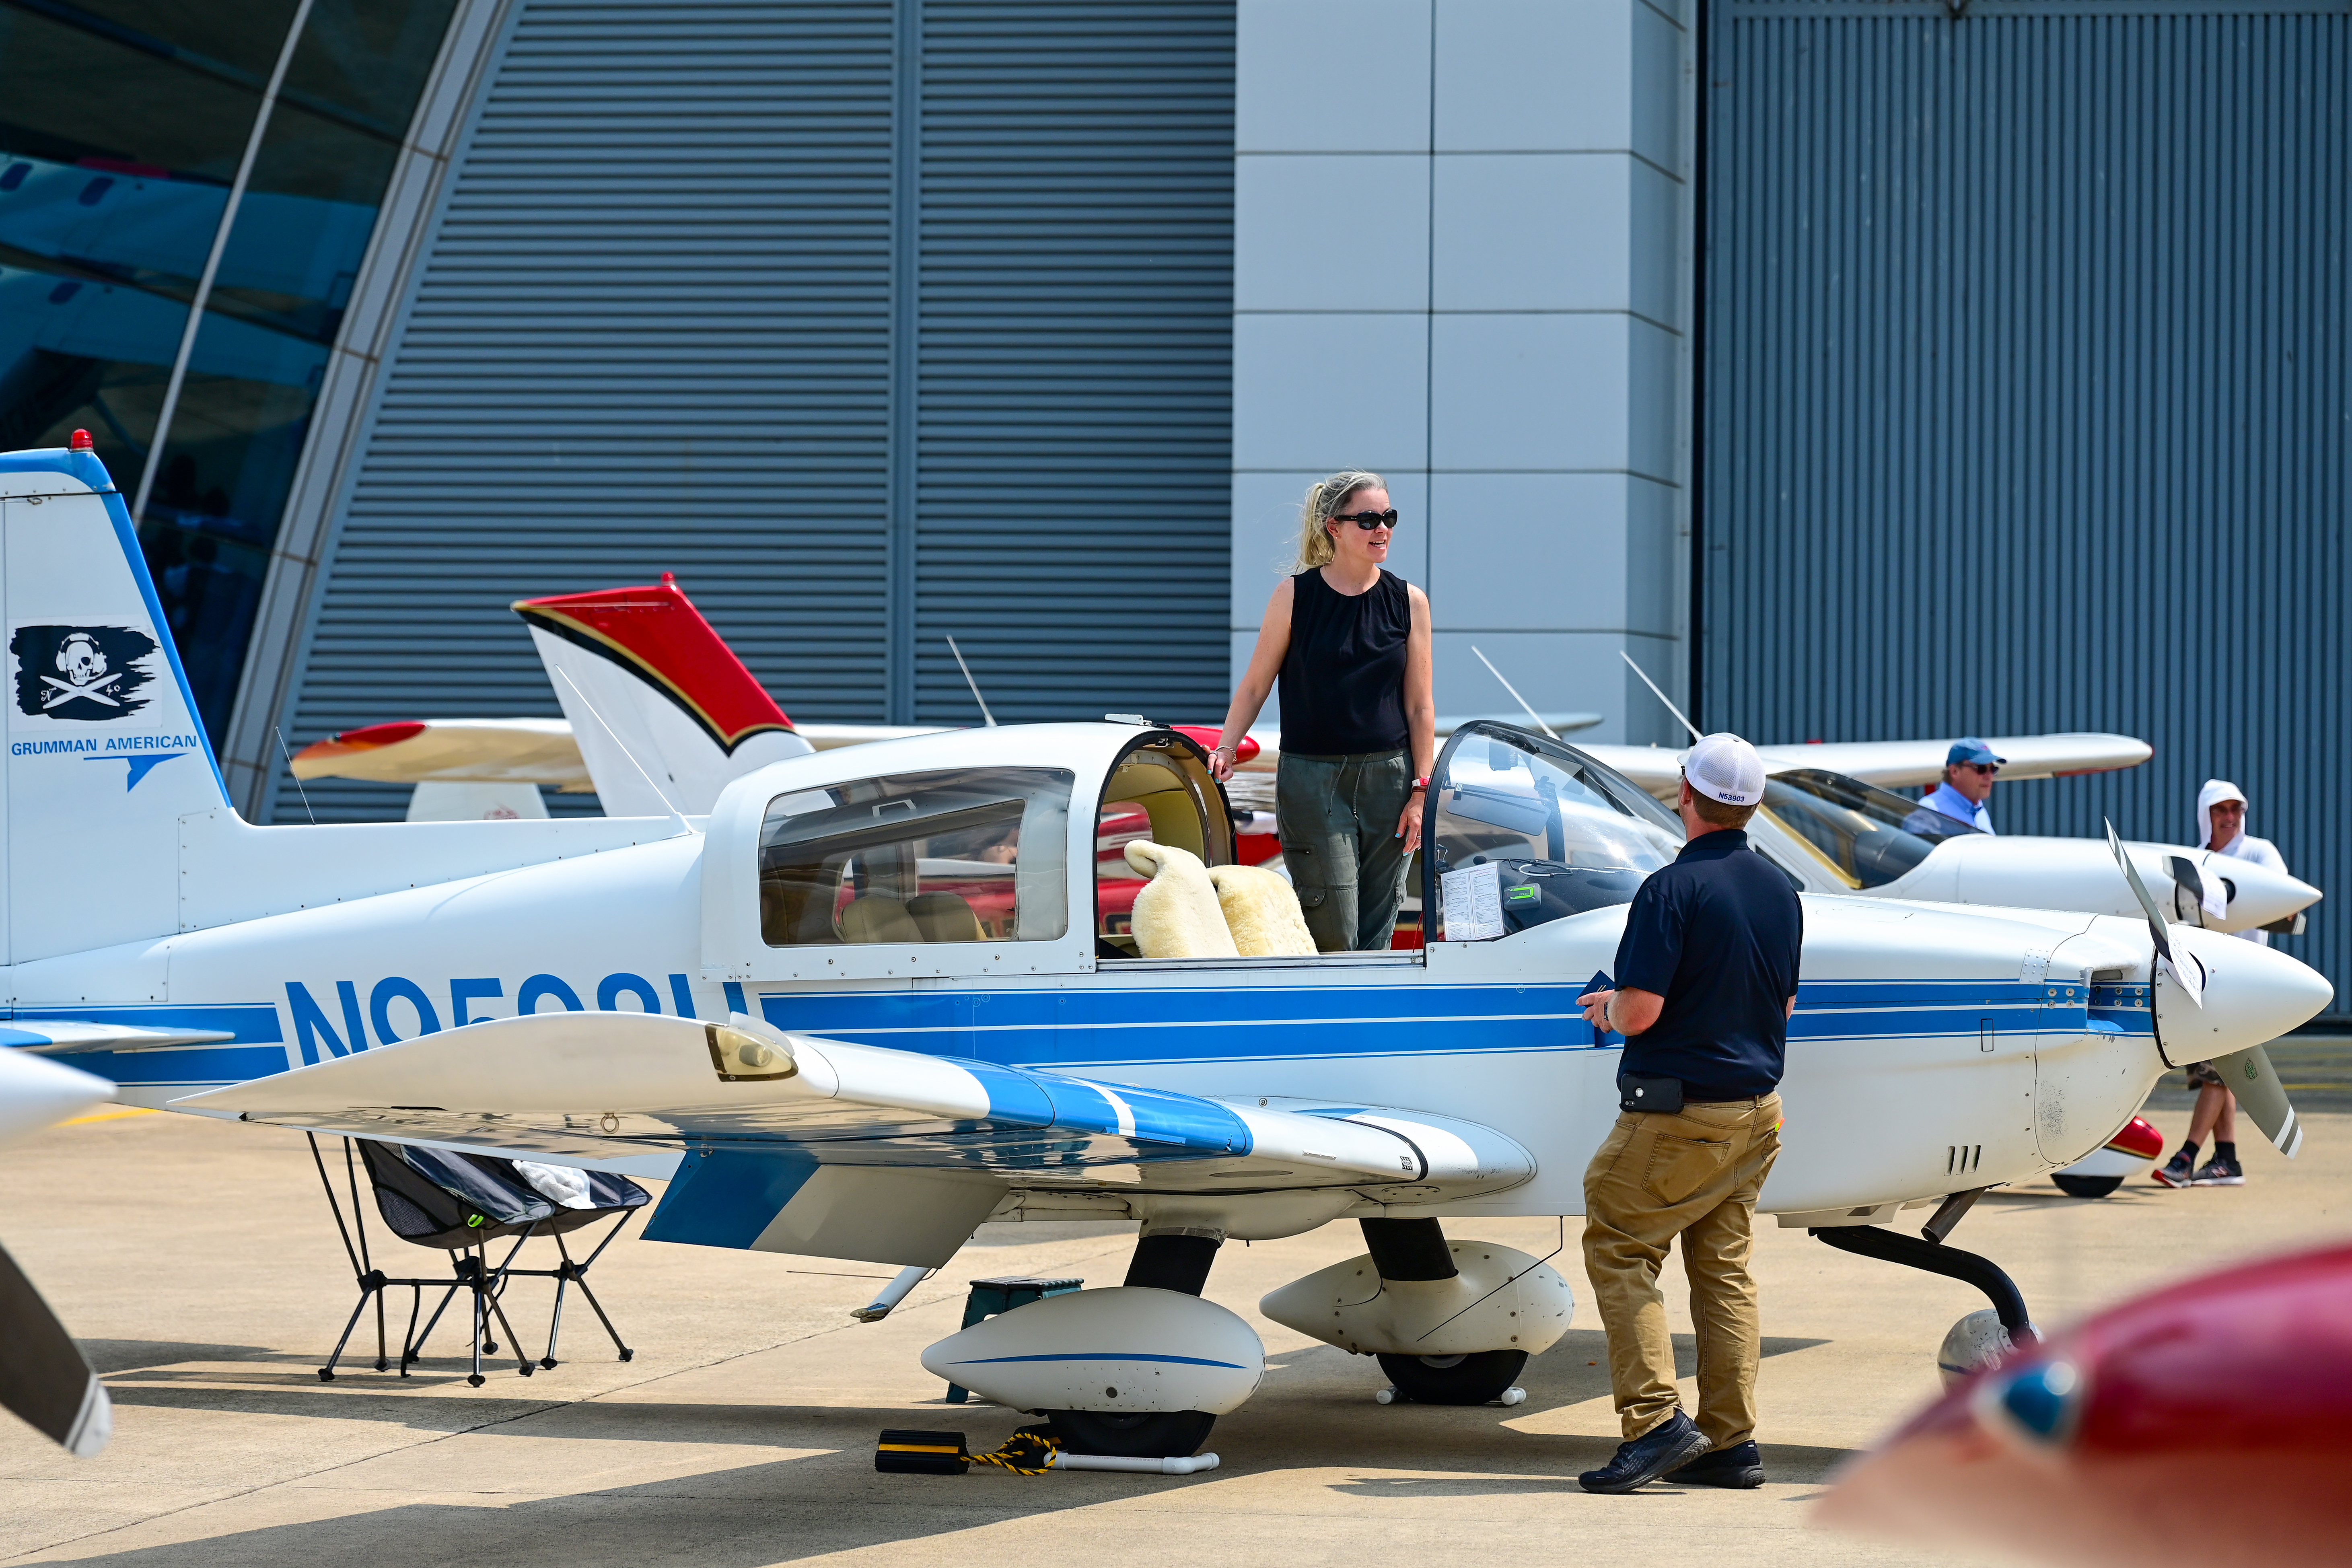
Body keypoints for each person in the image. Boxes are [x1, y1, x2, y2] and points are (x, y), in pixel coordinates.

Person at [1573, 733, 1803, 1494]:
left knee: (1617, 1241)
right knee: (1723, 1269)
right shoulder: (1781, 890)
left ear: (1684, 794)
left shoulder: (1668, 889)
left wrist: (1606, 1003)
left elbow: (1640, 1011)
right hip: (1756, 1113)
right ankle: (1730, 1443)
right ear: (1753, 804)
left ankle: (1652, 1424)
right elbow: (1785, 1002)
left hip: (1677, 1113)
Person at [1208, 469, 1434, 952]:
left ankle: (1366, 1023)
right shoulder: (1295, 596)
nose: (1383, 529)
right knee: (1335, 926)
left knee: (1377, 929)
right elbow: (1254, 686)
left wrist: (1421, 791)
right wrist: (1227, 743)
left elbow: (1419, 707)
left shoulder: (1409, 601)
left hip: (1390, 783)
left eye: (1388, 517)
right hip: (1312, 782)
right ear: (1334, 527)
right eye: (1369, 519)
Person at [2154, 780, 2292, 1189]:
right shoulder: (2196, 861)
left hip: (2243, 984)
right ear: (2206, 816)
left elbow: (2280, 894)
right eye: (2220, 810)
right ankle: (2227, 1160)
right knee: (2222, 1072)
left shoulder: (2258, 852)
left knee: (2219, 1074)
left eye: (2235, 809)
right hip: (2204, 982)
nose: (2230, 817)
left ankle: (2185, 1158)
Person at [1908, 738, 2003, 834]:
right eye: (1981, 769)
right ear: (1955, 771)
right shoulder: (1929, 814)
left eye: (1993, 769)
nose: (1989, 776)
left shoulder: (1979, 810)